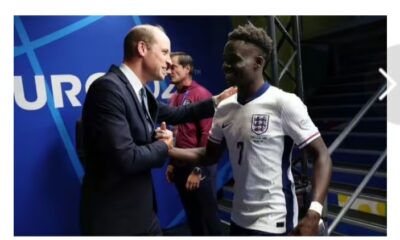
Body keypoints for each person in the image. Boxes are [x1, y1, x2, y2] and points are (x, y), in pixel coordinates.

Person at [164, 23, 332, 236]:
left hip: (274, 220)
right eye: (225, 61)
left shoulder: (284, 103)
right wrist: (168, 150)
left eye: (234, 60)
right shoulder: (224, 108)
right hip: (238, 218)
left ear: (258, 62)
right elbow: (208, 155)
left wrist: (314, 213)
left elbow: (322, 156)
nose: (226, 66)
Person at [80, 24, 236, 236]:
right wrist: (163, 145)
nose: (170, 61)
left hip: (142, 213)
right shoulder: (108, 89)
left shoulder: (138, 91)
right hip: (117, 219)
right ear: (142, 49)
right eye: (164, 52)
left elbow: (176, 114)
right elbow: (125, 157)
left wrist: (217, 100)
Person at [165, 52, 223, 235]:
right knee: (193, 217)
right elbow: (176, 133)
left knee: (209, 219)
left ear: (187, 68)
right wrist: (172, 164)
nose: (169, 71)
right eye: (168, 67)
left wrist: (198, 170)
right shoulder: (173, 98)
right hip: (181, 167)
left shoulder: (202, 94)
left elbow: (208, 134)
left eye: (173, 67)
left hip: (199, 167)